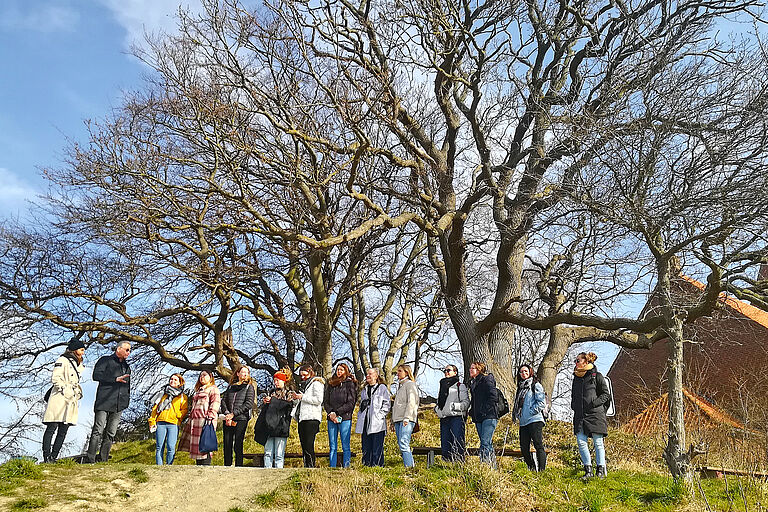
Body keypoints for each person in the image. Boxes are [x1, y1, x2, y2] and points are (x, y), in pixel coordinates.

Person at [41, 336, 86, 463]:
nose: (83, 352)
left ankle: (54, 457)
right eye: (81, 349)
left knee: (63, 430)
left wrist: (77, 393)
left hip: (71, 399)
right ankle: (47, 456)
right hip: (59, 398)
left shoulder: (78, 364)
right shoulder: (62, 360)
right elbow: (56, 378)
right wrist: (64, 389)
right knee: (52, 427)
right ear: (75, 349)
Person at [85, 341, 131, 463]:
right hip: (104, 402)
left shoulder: (127, 367)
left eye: (130, 350)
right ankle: (91, 459)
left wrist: (126, 401)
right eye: (127, 350)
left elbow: (127, 386)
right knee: (98, 430)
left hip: (119, 404)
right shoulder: (105, 360)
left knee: (111, 432)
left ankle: (103, 459)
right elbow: (96, 375)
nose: (129, 353)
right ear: (118, 349)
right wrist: (114, 379)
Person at [571, 351, 611, 479]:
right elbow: (573, 396)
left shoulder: (596, 376)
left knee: (598, 442)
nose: (576, 363)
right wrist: (575, 405)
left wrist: (594, 404)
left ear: (586, 362)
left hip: (595, 414)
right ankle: (588, 470)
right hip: (580, 415)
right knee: (581, 442)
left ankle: (601, 470)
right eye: (576, 361)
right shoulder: (576, 378)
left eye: (578, 360)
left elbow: (606, 394)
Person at [253, 369, 296, 468]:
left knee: (279, 454)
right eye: (275, 380)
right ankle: (267, 472)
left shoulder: (289, 393)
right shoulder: (271, 392)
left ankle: (278, 474)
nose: (276, 383)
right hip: (269, 425)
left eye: (278, 380)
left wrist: (273, 401)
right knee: (268, 452)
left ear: (283, 381)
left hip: (281, 426)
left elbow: (287, 406)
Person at [178, 370, 221, 465]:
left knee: (206, 444)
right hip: (195, 421)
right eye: (200, 375)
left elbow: (215, 403)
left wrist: (210, 416)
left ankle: (206, 466)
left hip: (206, 421)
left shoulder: (213, 389)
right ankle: (199, 467)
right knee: (197, 447)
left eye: (205, 375)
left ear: (210, 377)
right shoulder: (198, 390)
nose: (202, 377)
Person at [148, 373, 189, 465]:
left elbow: (185, 410)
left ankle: (169, 466)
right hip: (160, 422)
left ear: (180, 383)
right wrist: (152, 421)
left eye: (175, 380)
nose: (172, 381)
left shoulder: (183, 397)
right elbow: (155, 408)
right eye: (171, 379)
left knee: (171, 446)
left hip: (173, 423)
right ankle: (159, 466)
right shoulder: (162, 393)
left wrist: (177, 415)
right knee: (159, 447)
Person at [512, 364, 547, 472]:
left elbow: (541, 403)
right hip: (523, 422)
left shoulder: (535, 385)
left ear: (530, 372)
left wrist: (531, 411)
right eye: (521, 372)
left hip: (535, 419)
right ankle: (531, 468)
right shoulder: (520, 388)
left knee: (538, 445)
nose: (524, 374)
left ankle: (542, 471)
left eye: (526, 371)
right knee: (524, 448)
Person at [220, 366, 256, 467]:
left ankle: (238, 465)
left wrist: (234, 413)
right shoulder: (231, 387)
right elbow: (224, 401)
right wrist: (227, 413)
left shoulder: (249, 387)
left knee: (238, 443)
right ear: (237, 374)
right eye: (242, 372)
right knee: (227, 442)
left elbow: (248, 404)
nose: (244, 375)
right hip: (228, 418)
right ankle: (227, 465)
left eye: (246, 373)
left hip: (241, 418)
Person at [323, 363, 357, 468]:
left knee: (345, 445)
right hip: (331, 418)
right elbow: (326, 402)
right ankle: (332, 466)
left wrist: (337, 412)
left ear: (346, 371)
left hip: (345, 417)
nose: (339, 372)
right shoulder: (331, 384)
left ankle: (346, 466)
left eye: (341, 370)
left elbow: (351, 403)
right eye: (337, 369)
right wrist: (331, 413)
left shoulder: (349, 384)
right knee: (333, 445)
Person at [355, 367, 391, 467]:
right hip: (365, 421)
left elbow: (386, 404)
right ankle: (367, 465)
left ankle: (377, 466)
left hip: (377, 423)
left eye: (370, 374)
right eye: (367, 374)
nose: (368, 376)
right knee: (366, 445)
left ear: (376, 376)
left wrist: (379, 416)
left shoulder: (382, 388)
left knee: (377, 446)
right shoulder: (364, 390)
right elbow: (361, 405)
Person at [434, 364, 469, 462]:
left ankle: (458, 464)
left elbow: (466, 403)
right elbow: (439, 402)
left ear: (455, 372)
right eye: (444, 370)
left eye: (448, 370)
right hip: (444, 418)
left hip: (456, 418)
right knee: (445, 444)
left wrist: (454, 406)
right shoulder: (442, 386)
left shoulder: (459, 386)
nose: (446, 372)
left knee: (457, 443)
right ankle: (446, 465)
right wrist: (438, 410)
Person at [293, 364, 325, 468]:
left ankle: (311, 466)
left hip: (312, 418)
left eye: (305, 375)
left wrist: (303, 397)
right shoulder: (304, 386)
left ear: (310, 373)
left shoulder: (317, 383)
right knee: (303, 444)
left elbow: (318, 400)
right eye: (301, 375)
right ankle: (306, 465)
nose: (302, 377)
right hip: (303, 417)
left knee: (309, 443)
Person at [468, 361, 499, 466]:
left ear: (479, 369)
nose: (470, 370)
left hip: (489, 416)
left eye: (473, 368)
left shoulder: (487, 379)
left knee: (485, 442)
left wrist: (484, 409)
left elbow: (493, 396)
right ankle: (492, 466)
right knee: (486, 442)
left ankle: (485, 465)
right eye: (470, 368)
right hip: (479, 417)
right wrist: (472, 412)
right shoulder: (473, 383)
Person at [391, 364, 419, 468]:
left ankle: (410, 467)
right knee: (400, 444)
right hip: (398, 419)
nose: (397, 373)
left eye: (400, 371)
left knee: (404, 443)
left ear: (406, 372)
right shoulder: (400, 386)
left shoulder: (410, 385)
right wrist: (393, 421)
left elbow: (412, 402)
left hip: (406, 419)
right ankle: (407, 465)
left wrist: (407, 417)